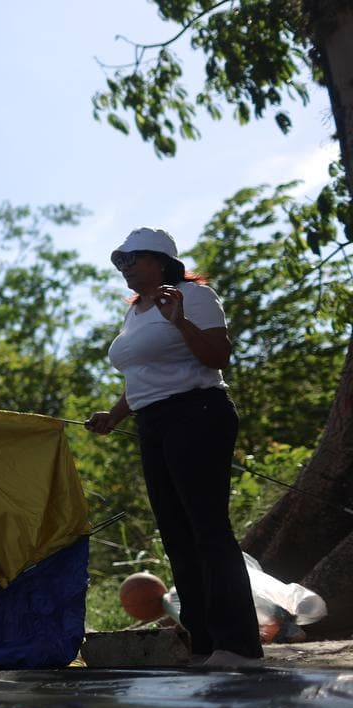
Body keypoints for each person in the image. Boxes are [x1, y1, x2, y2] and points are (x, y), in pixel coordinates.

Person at [85, 227, 263, 668]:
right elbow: (142, 377)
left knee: (207, 529)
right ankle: (203, 643)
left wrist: (179, 321)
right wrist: (115, 415)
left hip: (197, 414)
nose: (124, 268)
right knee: (177, 535)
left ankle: (238, 646)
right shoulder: (134, 313)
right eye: (119, 261)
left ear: (160, 260)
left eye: (131, 259)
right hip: (153, 423)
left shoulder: (193, 297)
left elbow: (218, 357)